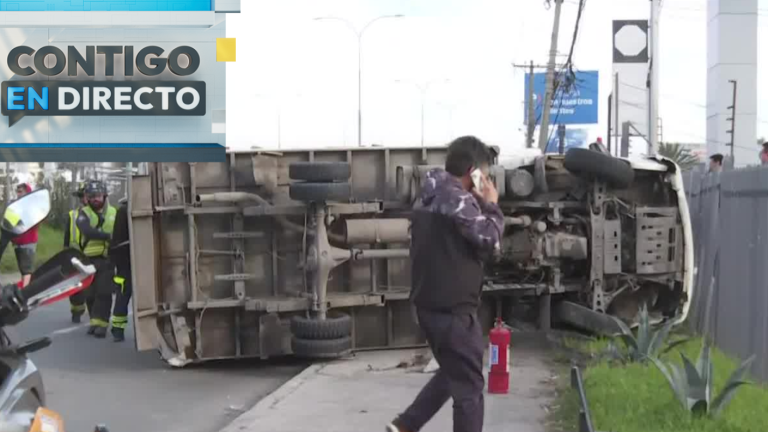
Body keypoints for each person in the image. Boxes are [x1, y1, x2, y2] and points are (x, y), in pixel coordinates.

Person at [387, 136, 504, 432]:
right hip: (452, 309)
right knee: (470, 385)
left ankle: (405, 426)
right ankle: (406, 425)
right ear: (473, 171)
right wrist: (491, 205)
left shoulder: (430, 192)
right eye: (484, 174)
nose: (487, 180)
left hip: (428, 304)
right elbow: (491, 240)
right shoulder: (459, 200)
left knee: (454, 373)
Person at [77, 180, 117, 338]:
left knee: (104, 292)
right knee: (90, 293)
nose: (95, 199)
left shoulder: (114, 212)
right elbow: (87, 231)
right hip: (87, 260)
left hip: (107, 259)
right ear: (86, 197)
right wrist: (108, 236)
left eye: (98, 196)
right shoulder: (83, 213)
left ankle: (102, 324)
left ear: (105, 195)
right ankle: (94, 321)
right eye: (91, 196)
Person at [65, 181, 88, 323]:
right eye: (82, 197)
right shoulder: (72, 215)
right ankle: (77, 311)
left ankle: (96, 316)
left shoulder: (100, 214)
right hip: (75, 255)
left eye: (86, 196)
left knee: (93, 288)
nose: (83, 199)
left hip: (94, 255)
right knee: (75, 286)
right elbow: (66, 236)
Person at [109, 197, 131, 342]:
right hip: (127, 262)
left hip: (124, 263)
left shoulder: (121, 211)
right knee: (123, 294)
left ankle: (118, 330)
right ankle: (117, 328)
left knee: (123, 295)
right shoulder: (124, 212)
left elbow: (115, 243)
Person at [11, 183, 38, 288]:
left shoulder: (30, 207)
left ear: (27, 192)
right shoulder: (17, 207)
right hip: (18, 242)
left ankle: (25, 294)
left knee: (27, 270)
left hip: (28, 241)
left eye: (20, 192)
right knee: (23, 270)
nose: (18, 194)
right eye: (17, 192)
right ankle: (24, 290)